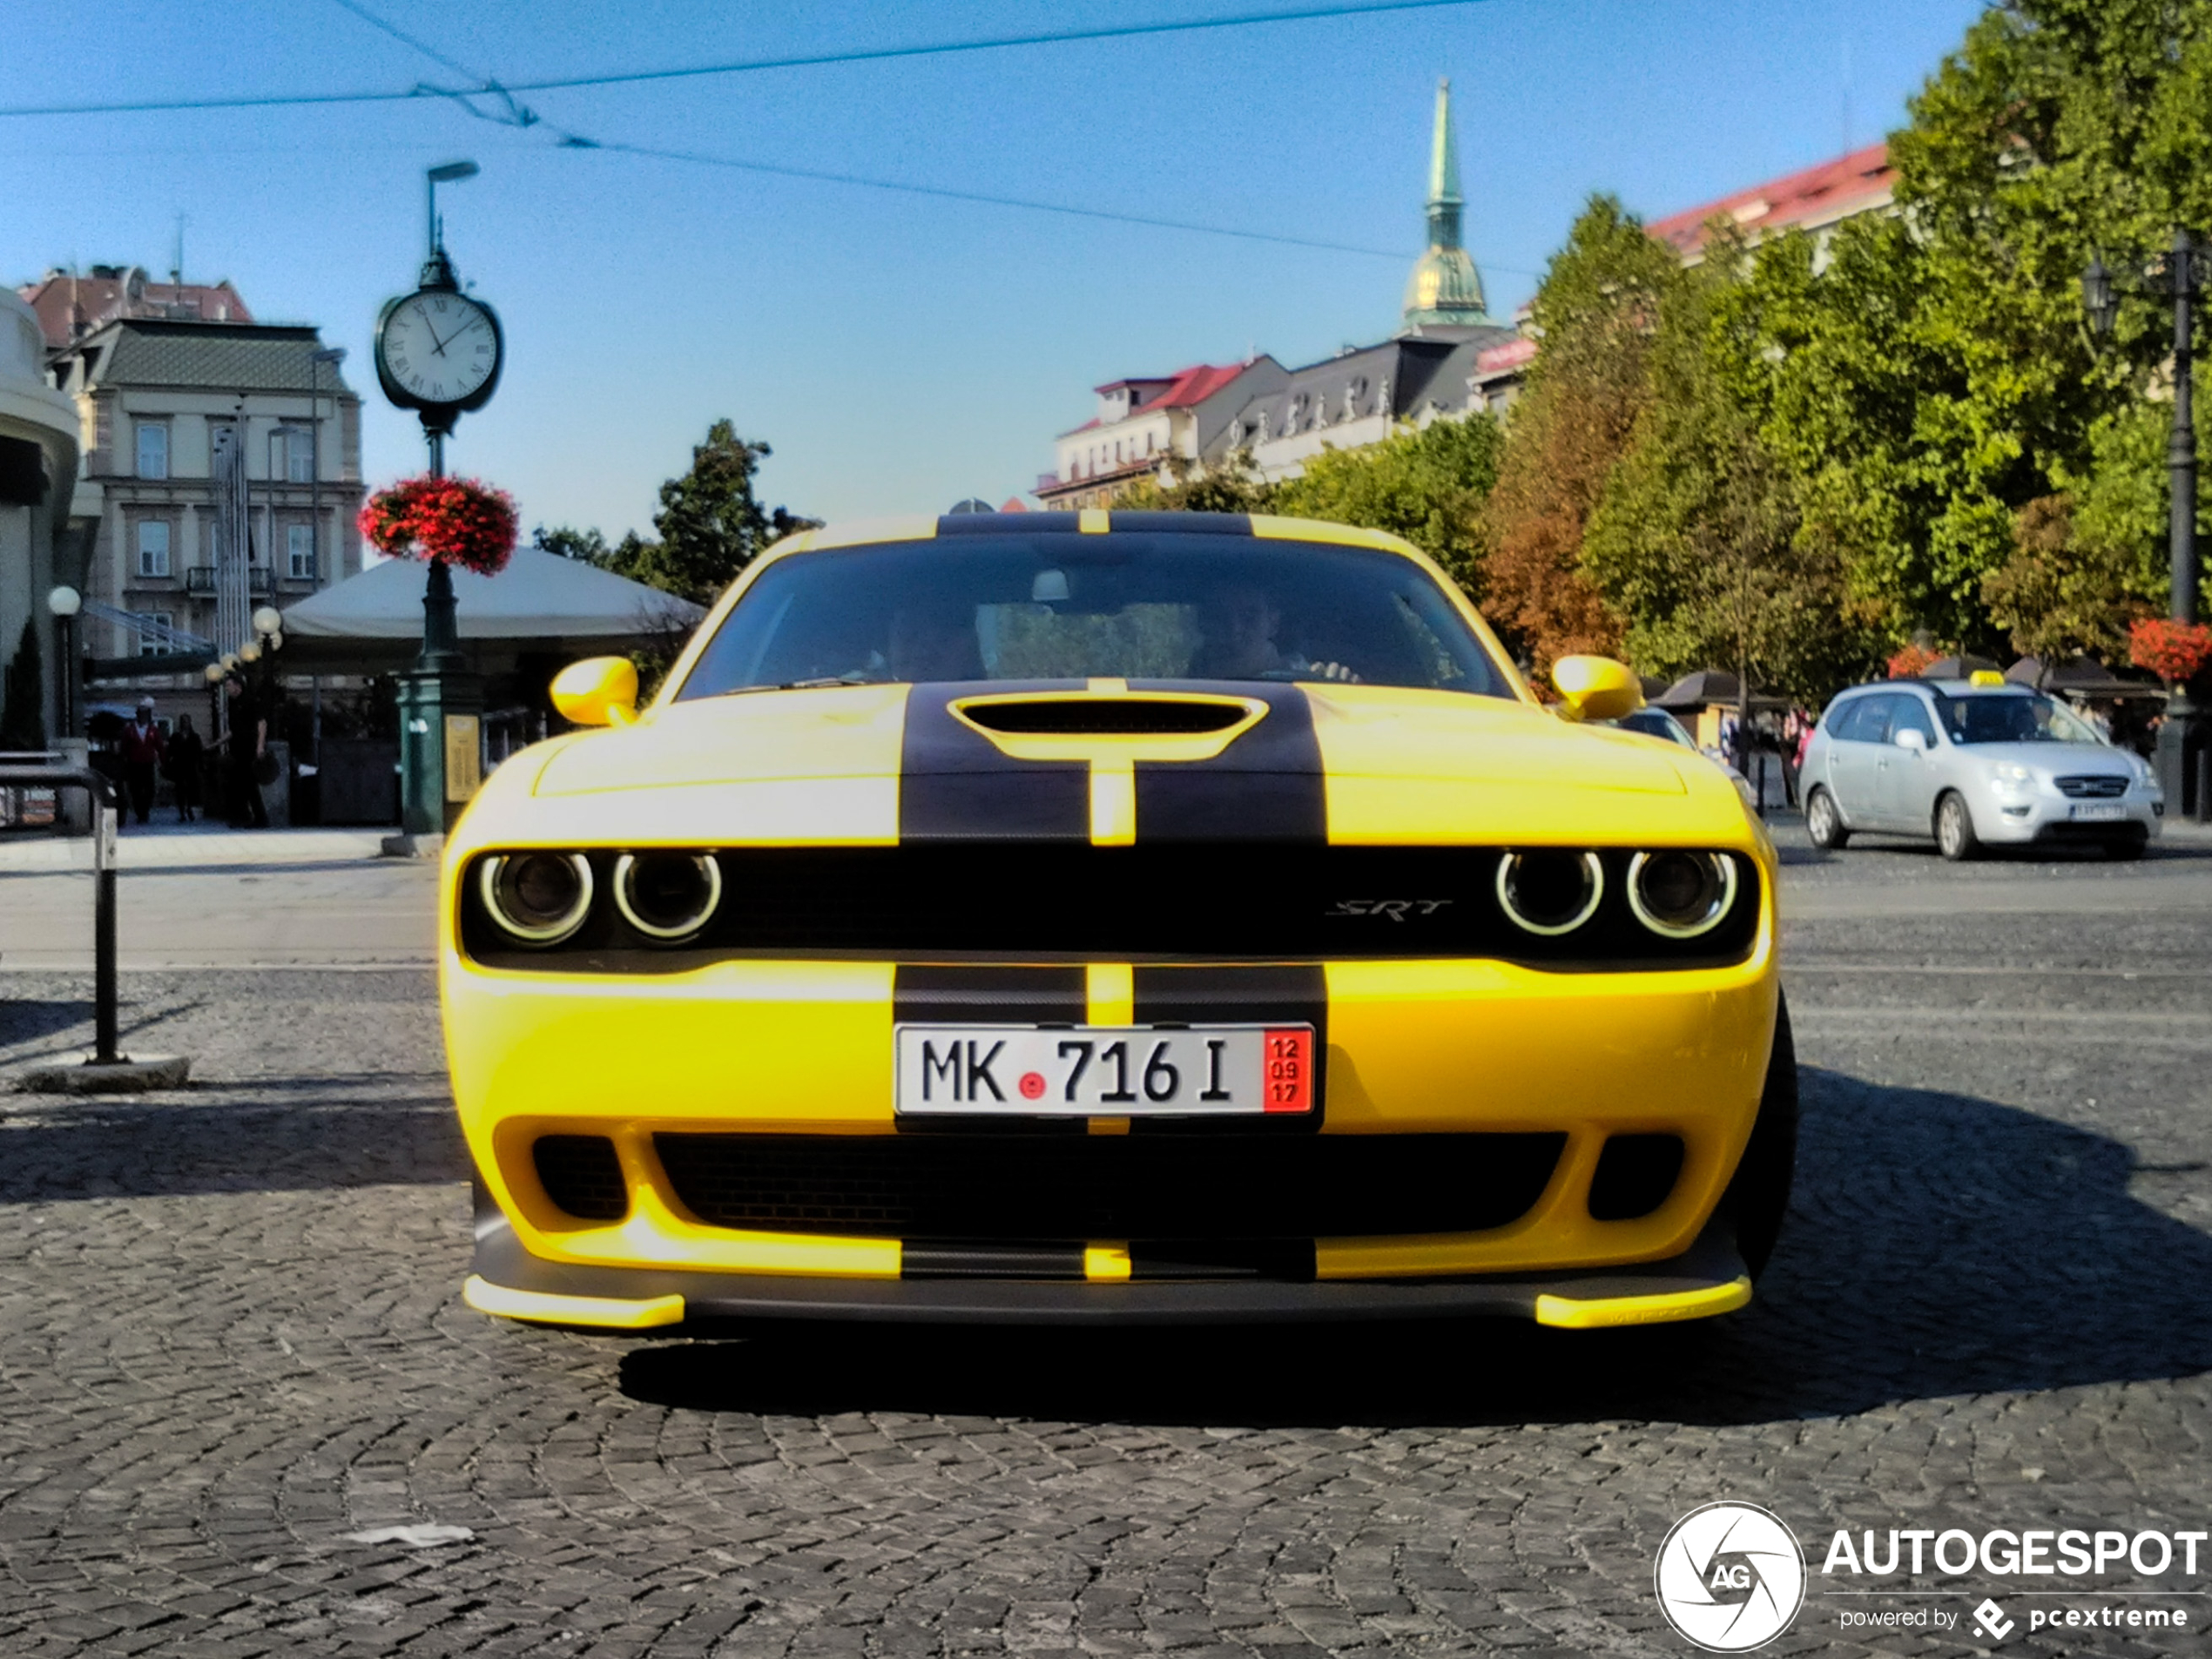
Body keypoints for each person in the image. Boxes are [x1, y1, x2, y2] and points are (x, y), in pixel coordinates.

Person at [220, 674, 269, 829]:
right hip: (237, 749)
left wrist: (260, 747)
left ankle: (258, 818)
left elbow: (262, 723)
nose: (227, 689)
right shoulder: (232, 702)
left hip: (249, 748)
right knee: (237, 784)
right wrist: (217, 743)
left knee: (248, 784)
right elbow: (233, 729)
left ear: (238, 686)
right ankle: (243, 816)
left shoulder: (249, 701)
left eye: (229, 686)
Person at [118, 698, 165, 826]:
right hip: (134, 764)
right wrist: (123, 762)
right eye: (141, 714)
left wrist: (163, 762)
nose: (143, 716)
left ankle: (145, 811)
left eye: (146, 714)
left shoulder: (153, 730)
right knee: (135, 790)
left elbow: (159, 746)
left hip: (148, 763)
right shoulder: (130, 730)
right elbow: (124, 748)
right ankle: (140, 813)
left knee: (150, 789)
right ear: (137, 715)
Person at [165, 712, 206, 823]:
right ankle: (182, 811)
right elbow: (170, 752)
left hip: (191, 766)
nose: (185, 723)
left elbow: (199, 753)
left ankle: (189, 808)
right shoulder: (175, 737)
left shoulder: (195, 737)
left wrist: (201, 766)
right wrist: (167, 765)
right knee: (180, 790)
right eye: (183, 721)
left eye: (187, 721)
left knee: (191, 790)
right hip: (179, 766)